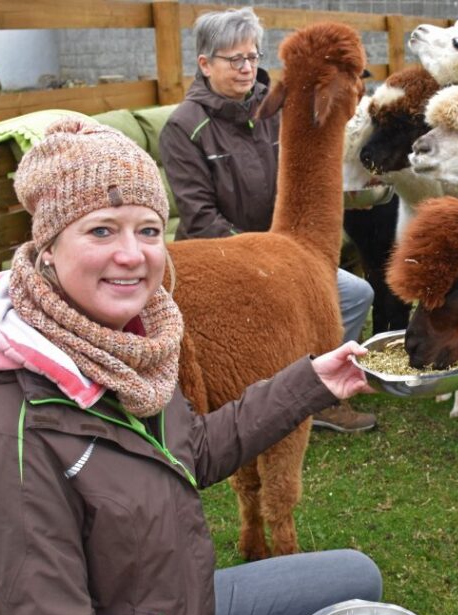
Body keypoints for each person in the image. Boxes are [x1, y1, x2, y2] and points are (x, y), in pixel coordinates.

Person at [0, 119, 383, 615]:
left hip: (175, 610)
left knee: (357, 576)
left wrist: (311, 382)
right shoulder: (0, 435)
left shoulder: (121, 352)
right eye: (102, 231)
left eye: (149, 230)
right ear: (46, 249)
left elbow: (192, 450)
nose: (133, 256)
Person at [160, 7, 376, 433]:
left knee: (354, 294)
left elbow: (305, 172)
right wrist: (265, 260)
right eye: (234, 59)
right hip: (225, 254)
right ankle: (266, 393)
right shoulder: (185, 127)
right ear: (205, 64)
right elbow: (201, 217)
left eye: (253, 57)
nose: (246, 68)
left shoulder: (276, 107)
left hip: (286, 250)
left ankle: (312, 389)